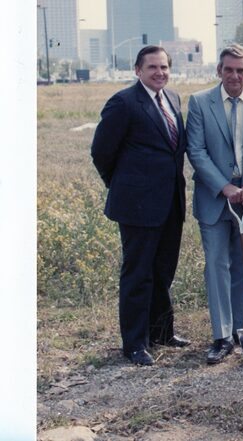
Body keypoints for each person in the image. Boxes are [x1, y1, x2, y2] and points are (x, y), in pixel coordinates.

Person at [91, 46, 190, 366]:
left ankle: (161, 332)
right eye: (152, 67)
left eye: (164, 67)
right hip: (137, 204)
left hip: (170, 201)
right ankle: (134, 343)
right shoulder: (123, 103)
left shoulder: (173, 99)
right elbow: (101, 152)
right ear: (137, 70)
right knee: (138, 273)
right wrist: (123, 186)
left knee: (163, 270)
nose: (159, 72)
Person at [186, 44, 243, 364]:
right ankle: (221, 335)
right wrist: (224, 187)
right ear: (219, 71)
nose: (235, 75)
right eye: (229, 69)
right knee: (216, 266)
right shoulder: (200, 102)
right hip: (215, 198)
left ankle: (240, 330)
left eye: (241, 70)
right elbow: (196, 151)